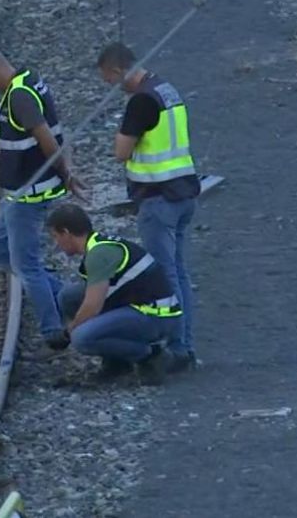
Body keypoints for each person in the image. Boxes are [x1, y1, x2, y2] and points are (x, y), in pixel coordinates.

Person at [0, 42, 87, 351]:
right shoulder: (27, 80)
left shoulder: (20, 95)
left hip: (28, 195)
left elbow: (47, 137)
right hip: (15, 192)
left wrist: (66, 174)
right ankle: (61, 295)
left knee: (27, 264)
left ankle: (52, 329)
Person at [96, 42, 201, 372]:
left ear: (117, 70)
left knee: (166, 275)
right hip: (184, 192)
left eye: (108, 78)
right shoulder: (165, 89)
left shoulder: (140, 100)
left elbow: (121, 152)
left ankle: (178, 349)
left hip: (159, 199)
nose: (110, 86)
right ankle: (185, 344)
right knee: (179, 272)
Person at [46, 203, 181, 384]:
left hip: (157, 317)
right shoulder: (98, 244)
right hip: (141, 305)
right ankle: (116, 361)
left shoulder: (99, 255)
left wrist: (68, 333)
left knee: (82, 338)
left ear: (66, 233)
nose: (57, 244)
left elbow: (93, 306)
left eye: (56, 237)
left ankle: (149, 355)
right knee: (69, 297)